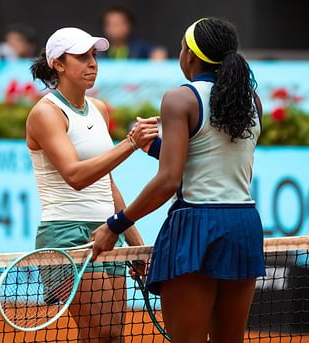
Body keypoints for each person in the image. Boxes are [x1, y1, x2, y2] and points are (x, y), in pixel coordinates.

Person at [91, 17, 266, 343]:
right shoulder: (252, 101)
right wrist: (153, 147)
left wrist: (116, 224)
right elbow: (211, 158)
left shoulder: (180, 98)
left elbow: (169, 180)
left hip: (195, 225)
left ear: (191, 56)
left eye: (182, 48)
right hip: (243, 225)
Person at [27, 27, 158, 342]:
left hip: (108, 230)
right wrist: (130, 143)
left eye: (94, 56)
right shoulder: (45, 113)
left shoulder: (99, 109)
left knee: (107, 337)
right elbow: (76, 176)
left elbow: (107, 183)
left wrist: (134, 243)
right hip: (66, 234)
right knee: (105, 331)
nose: (92, 63)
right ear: (58, 64)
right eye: (82, 57)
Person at [100, 6, 167, 60]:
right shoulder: (98, 50)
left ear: (129, 25)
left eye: (117, 24)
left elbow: (159, 52)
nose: (114, 28)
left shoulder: (139, 46)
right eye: (109, 24)